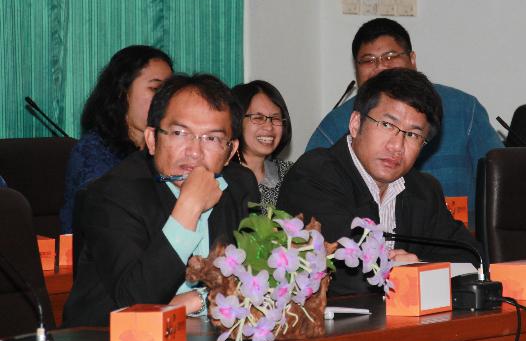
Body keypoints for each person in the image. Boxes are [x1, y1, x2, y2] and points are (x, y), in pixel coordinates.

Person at [62, 74, 259, 327]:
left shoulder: (240, 185)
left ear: (231, 151)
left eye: (211, 138)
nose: (194, 152)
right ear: (152, 140)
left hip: (206, 336)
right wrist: (189, 207)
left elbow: (257, 277)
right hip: (106, 339)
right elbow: (138, 304)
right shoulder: (110, 195)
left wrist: (195, 300)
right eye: (179, 133)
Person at [280, 68, 480, 295]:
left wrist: (419, 268)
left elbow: (472, 257)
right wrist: (405, 273)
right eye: (387, 125)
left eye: (412, 135)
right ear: (356, 124)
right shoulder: (314, 175)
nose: (397, 146)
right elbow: (348, 273)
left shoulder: (424, 190)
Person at [306, 18, 501, 225]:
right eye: (369, 60)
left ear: (412, 59)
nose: (381, 67)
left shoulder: (463, 109)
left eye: (390, 56)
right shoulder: (335, 125)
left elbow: (503, 182)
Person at [60, 45, 174, 233]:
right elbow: (109, 221)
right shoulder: (93, 151)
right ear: (122, 91)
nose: (166, 100)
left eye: (170, 92)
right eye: (155, 89)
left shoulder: (172, 147)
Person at [231, 80, 293, 211]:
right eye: (258, 118)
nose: (269, 127)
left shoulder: (291, 175)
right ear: (236, 120)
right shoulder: (220, 178)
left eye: (275, 118)